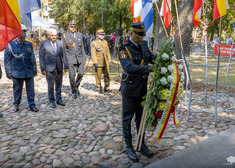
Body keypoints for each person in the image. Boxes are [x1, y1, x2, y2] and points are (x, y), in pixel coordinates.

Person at [119, 22, 155, 162]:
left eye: (142, 36)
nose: (140, 39)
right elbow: (129, 67)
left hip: (142, 88)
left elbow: (151, 58)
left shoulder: (144, 45)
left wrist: (164, 60)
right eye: (138, 36)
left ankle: (141, 144)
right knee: (127, 118)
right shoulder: (124, 48)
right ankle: (129, 146)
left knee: (141, 118)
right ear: (131, 34)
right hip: (129, 88)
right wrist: (149, 69)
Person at [4, 32, 38, 112]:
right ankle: (16, 104)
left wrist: (34, 69)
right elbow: (7, 60)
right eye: (21, 37)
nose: (23, 39)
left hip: (28, 71)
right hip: (17, 71)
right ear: (17, 37)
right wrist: (8, 71)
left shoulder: (28, 44)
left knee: (30, 90)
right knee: (17, 90)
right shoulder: (11, 45)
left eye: (24, 37)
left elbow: (32, 57)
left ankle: (32, 105)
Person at [39, 29, 69, 108]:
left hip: (58, 67)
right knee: (51, 85)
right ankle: (52, 100)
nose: (54, 37)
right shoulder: (44, 43)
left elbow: (64, 55)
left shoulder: (60, 43)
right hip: (49, 68)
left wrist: (66, 66)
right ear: (49, 35)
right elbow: (41, 57)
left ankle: (59, 99)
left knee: (59, 84)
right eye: (52, 35)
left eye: (55, 35)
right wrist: (42, 68)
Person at [62, 20, 86, 99]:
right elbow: (64, 49)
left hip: (79, 58)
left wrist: (84, 58)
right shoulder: (65, 35)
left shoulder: (79, 35)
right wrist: (64, 61)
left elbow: (82, 47)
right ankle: (74, 91)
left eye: (74, 27)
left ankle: (76, 86)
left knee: (81, 73)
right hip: (70, 58)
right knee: (71, 76)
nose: (73, 28)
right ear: (69, 27)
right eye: (71, 27)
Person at [91, 28, 111, 94]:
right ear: (97, 35)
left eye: (103, 34)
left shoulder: (105, 42)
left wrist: (109, 60)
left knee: (107, 75)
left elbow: (108, 51)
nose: (102, 36)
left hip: (105, 62)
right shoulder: (94, 43)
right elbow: (93, 53)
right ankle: (98, 88)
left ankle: (107, 87)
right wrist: (95, 62)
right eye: (100, 34)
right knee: (98, 76)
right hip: (98, 62)